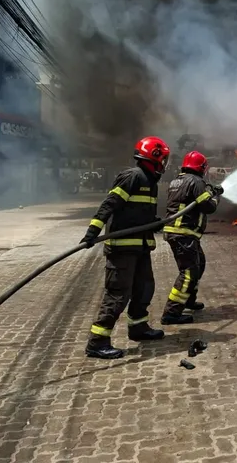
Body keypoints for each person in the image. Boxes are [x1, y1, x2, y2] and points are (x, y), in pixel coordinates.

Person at [80, 136, 171, 359]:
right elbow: (109, 204)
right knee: (118, 294)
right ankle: (97, 342)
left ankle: (138, 327)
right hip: (122, 248)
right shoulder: (132, 176)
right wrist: (93, 231)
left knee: (144, 289)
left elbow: (137, 212)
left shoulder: (150, 181)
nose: (165, 163)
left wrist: (154, 222)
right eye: (163, 158)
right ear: (155, 156)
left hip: (140, 247)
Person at [160, 150, 221, 325]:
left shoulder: (177, 181)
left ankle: (188, 299)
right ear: (202, 167)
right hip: (183, 234)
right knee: (188, 273)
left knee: (199, 264)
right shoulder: (196, 182)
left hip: (179, 233)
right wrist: (216, 197)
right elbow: (208, 207)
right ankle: (172, 313)